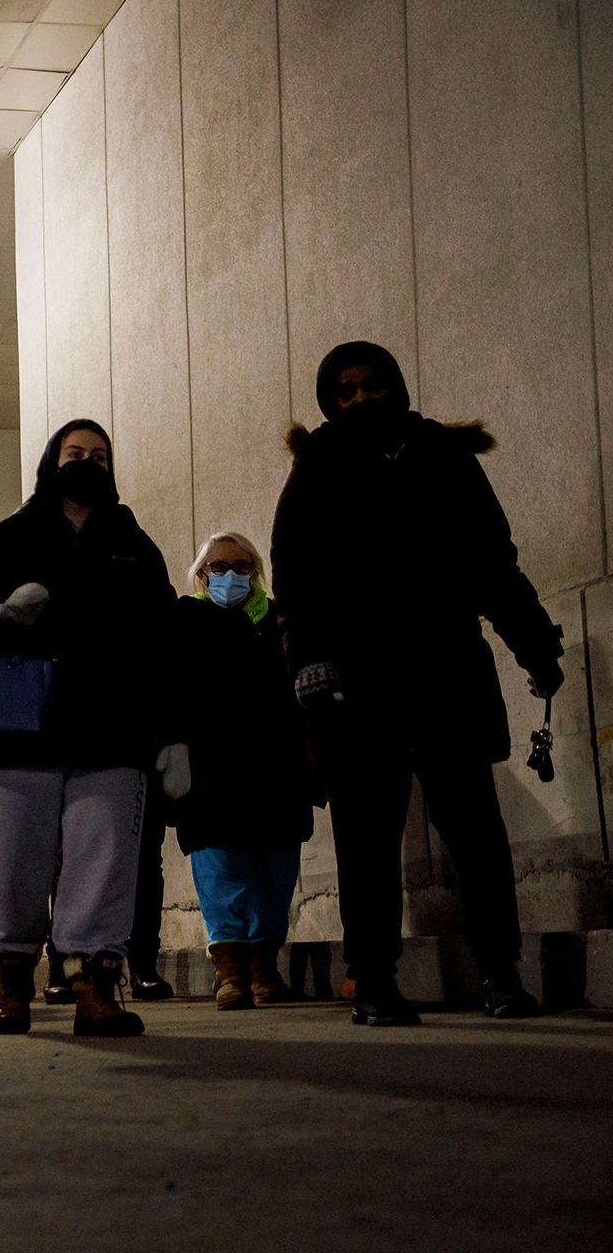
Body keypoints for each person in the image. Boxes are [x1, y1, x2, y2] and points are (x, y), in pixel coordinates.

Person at [272, 341, 562, 1024]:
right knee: (366, 843)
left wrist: (534, 642)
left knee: (477, 837)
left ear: (396, 387)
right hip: (356, 681)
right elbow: (296, 576)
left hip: (445, 670)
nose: (361, 398)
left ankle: (500, 974)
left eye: (372, 384)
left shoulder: (443, 457)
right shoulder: (315, 468)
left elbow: (492, 561)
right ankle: (372, 981)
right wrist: (310, 664)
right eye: (344, 391)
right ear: (329, 402)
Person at [0, 418, 182, 1038]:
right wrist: (4, 618)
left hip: (113, 727)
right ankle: (14, 977)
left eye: (99, 455)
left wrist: (172, 733)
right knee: (17, 858)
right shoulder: (8, 539)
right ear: (52, 461)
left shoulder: (136, 545)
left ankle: (93, 985)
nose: (87, 462)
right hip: (21, 731)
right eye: (74, 452)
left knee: (105, 857)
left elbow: (165, 646)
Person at [172, 532, 315, 1009]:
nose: (230, 575)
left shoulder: (279, 621)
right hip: (211, 769)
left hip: (276, 766)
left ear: (255, 571)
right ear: (200, 574)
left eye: (240, 566)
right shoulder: (185, 621)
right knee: (219, 867)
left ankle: (264, 968)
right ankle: (230, 972)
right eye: (218, 567)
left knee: (275, 870)